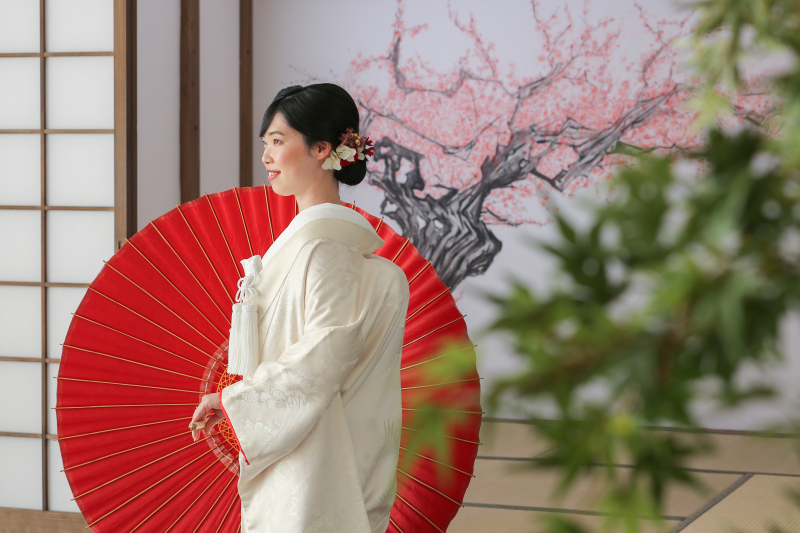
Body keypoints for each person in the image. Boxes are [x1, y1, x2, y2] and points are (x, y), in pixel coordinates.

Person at [188, 83, 409, 533]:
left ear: (322, 148)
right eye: (265, 144)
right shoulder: (318, 245)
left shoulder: (323, 248)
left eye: (277, 141)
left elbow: (325, 355)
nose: (266, 157)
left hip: (313, 460)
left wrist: (236, 401)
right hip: (307, 445)